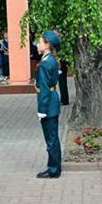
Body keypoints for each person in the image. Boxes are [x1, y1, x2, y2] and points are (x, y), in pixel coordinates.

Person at [35, 30, 62, 179]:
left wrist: (42, 110)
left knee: (50, 140)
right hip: (53, 102)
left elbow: (44, 89)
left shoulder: (46, 63)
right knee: (53, 138)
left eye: (40, 42)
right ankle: (55, 166)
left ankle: (53, 169)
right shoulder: (49, 59)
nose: (37, 44)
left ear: (46, 45)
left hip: (49, 105)